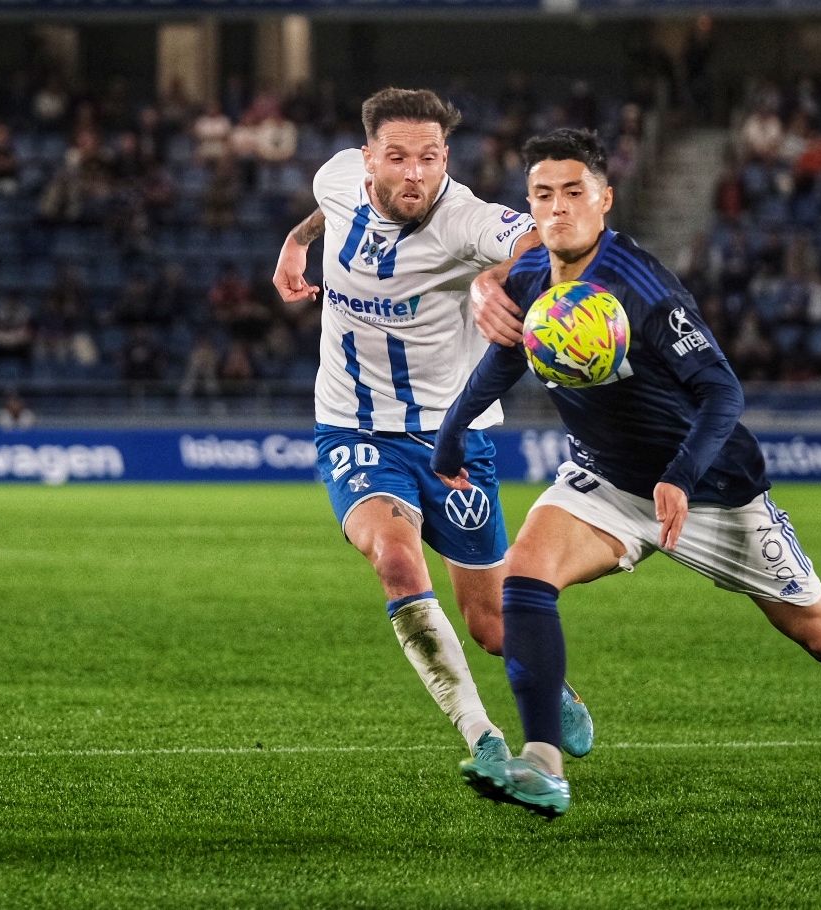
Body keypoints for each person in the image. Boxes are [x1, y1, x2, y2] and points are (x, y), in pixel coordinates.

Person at [432, 128, 821, 827]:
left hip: (712, 489)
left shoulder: (643, 288)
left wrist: (680, 477)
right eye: (543, 195)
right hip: (610, 483)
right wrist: (450, 436)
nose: (558, 209)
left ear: (605, 199)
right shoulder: (530, 278)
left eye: (574, 193)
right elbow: (508, 357)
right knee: (525, 576)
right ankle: (544, 766)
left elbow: (722, 394)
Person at [271, 87, 594, 771]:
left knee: (491, 624)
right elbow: (327, 208)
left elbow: (537, 242)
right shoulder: (335, 179)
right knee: (393, 556)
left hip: (452, 441)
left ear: (445, 156)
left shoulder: (466, 218)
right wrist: (296, 244)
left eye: (428, 157)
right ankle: (484, 739)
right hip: (353, 429)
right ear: (368, 160)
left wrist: (493, 282)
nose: (413, 172)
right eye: (397, 157)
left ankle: (550, 682)